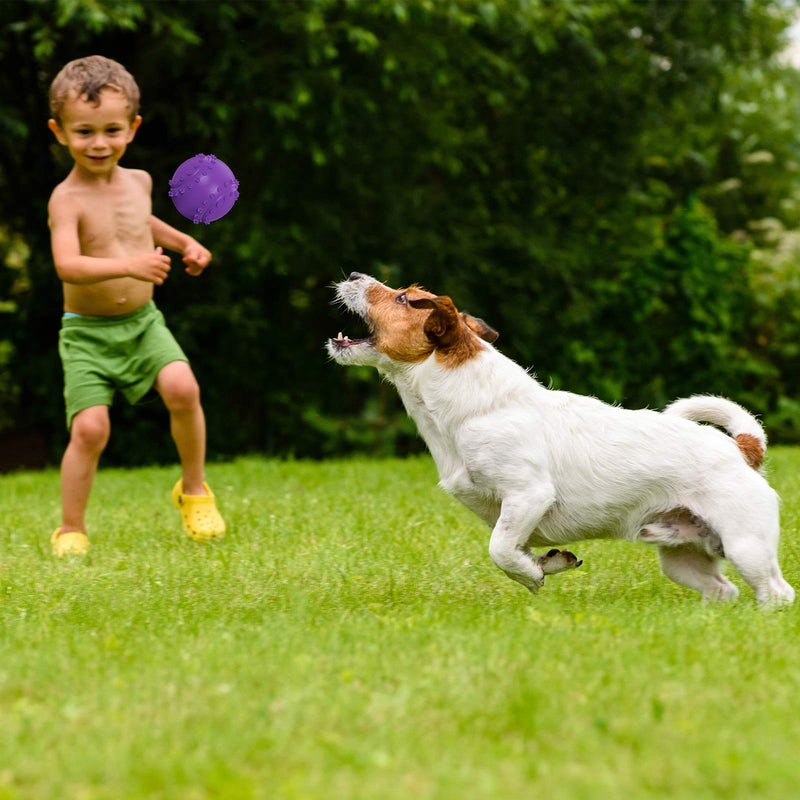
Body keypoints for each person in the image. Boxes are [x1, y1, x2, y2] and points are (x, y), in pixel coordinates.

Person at [46, 55, 225, 556]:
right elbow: (67, 264)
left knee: (183, 388)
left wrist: (184, 242)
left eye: (111, 130)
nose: (99, 143)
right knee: (90, 428)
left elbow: (143, 225)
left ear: (133, 128)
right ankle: (71, 528)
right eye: (84, 132)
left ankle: (195, 491)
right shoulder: (67, 199)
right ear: (60, 132)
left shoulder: (140, 181)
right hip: (87, 333)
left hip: (143, 323)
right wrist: (129, 266)